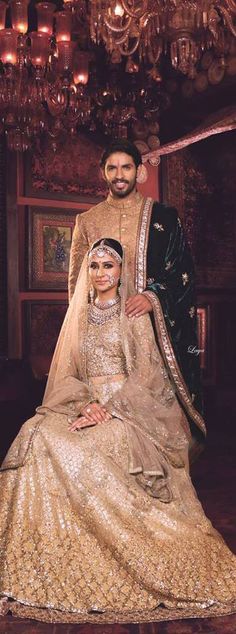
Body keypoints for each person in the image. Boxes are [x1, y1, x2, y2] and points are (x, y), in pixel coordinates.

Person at [0, 238, 236, 625]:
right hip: (86, 404)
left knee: (83, 450)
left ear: (121, 271)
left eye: (108, 266)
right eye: (94, 267)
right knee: (35, 433)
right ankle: (38, 559)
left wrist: (109, 409)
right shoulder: (79, 318)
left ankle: (107, 550)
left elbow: (148, 376)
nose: (101, 274)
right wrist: (85, 405)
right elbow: (69, 376)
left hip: (130, 413)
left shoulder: (134, 315)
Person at [68, 139, 204, 460]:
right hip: (104, 342)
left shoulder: (164, 218)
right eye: (112, 167)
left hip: (154, 334)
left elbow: (183, 273)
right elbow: (76, 286)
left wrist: (152, 297)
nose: (119, 174)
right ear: (103, 173)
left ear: (139, 171)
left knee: (162, 438)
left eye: (126, 167)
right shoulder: (86, 221)